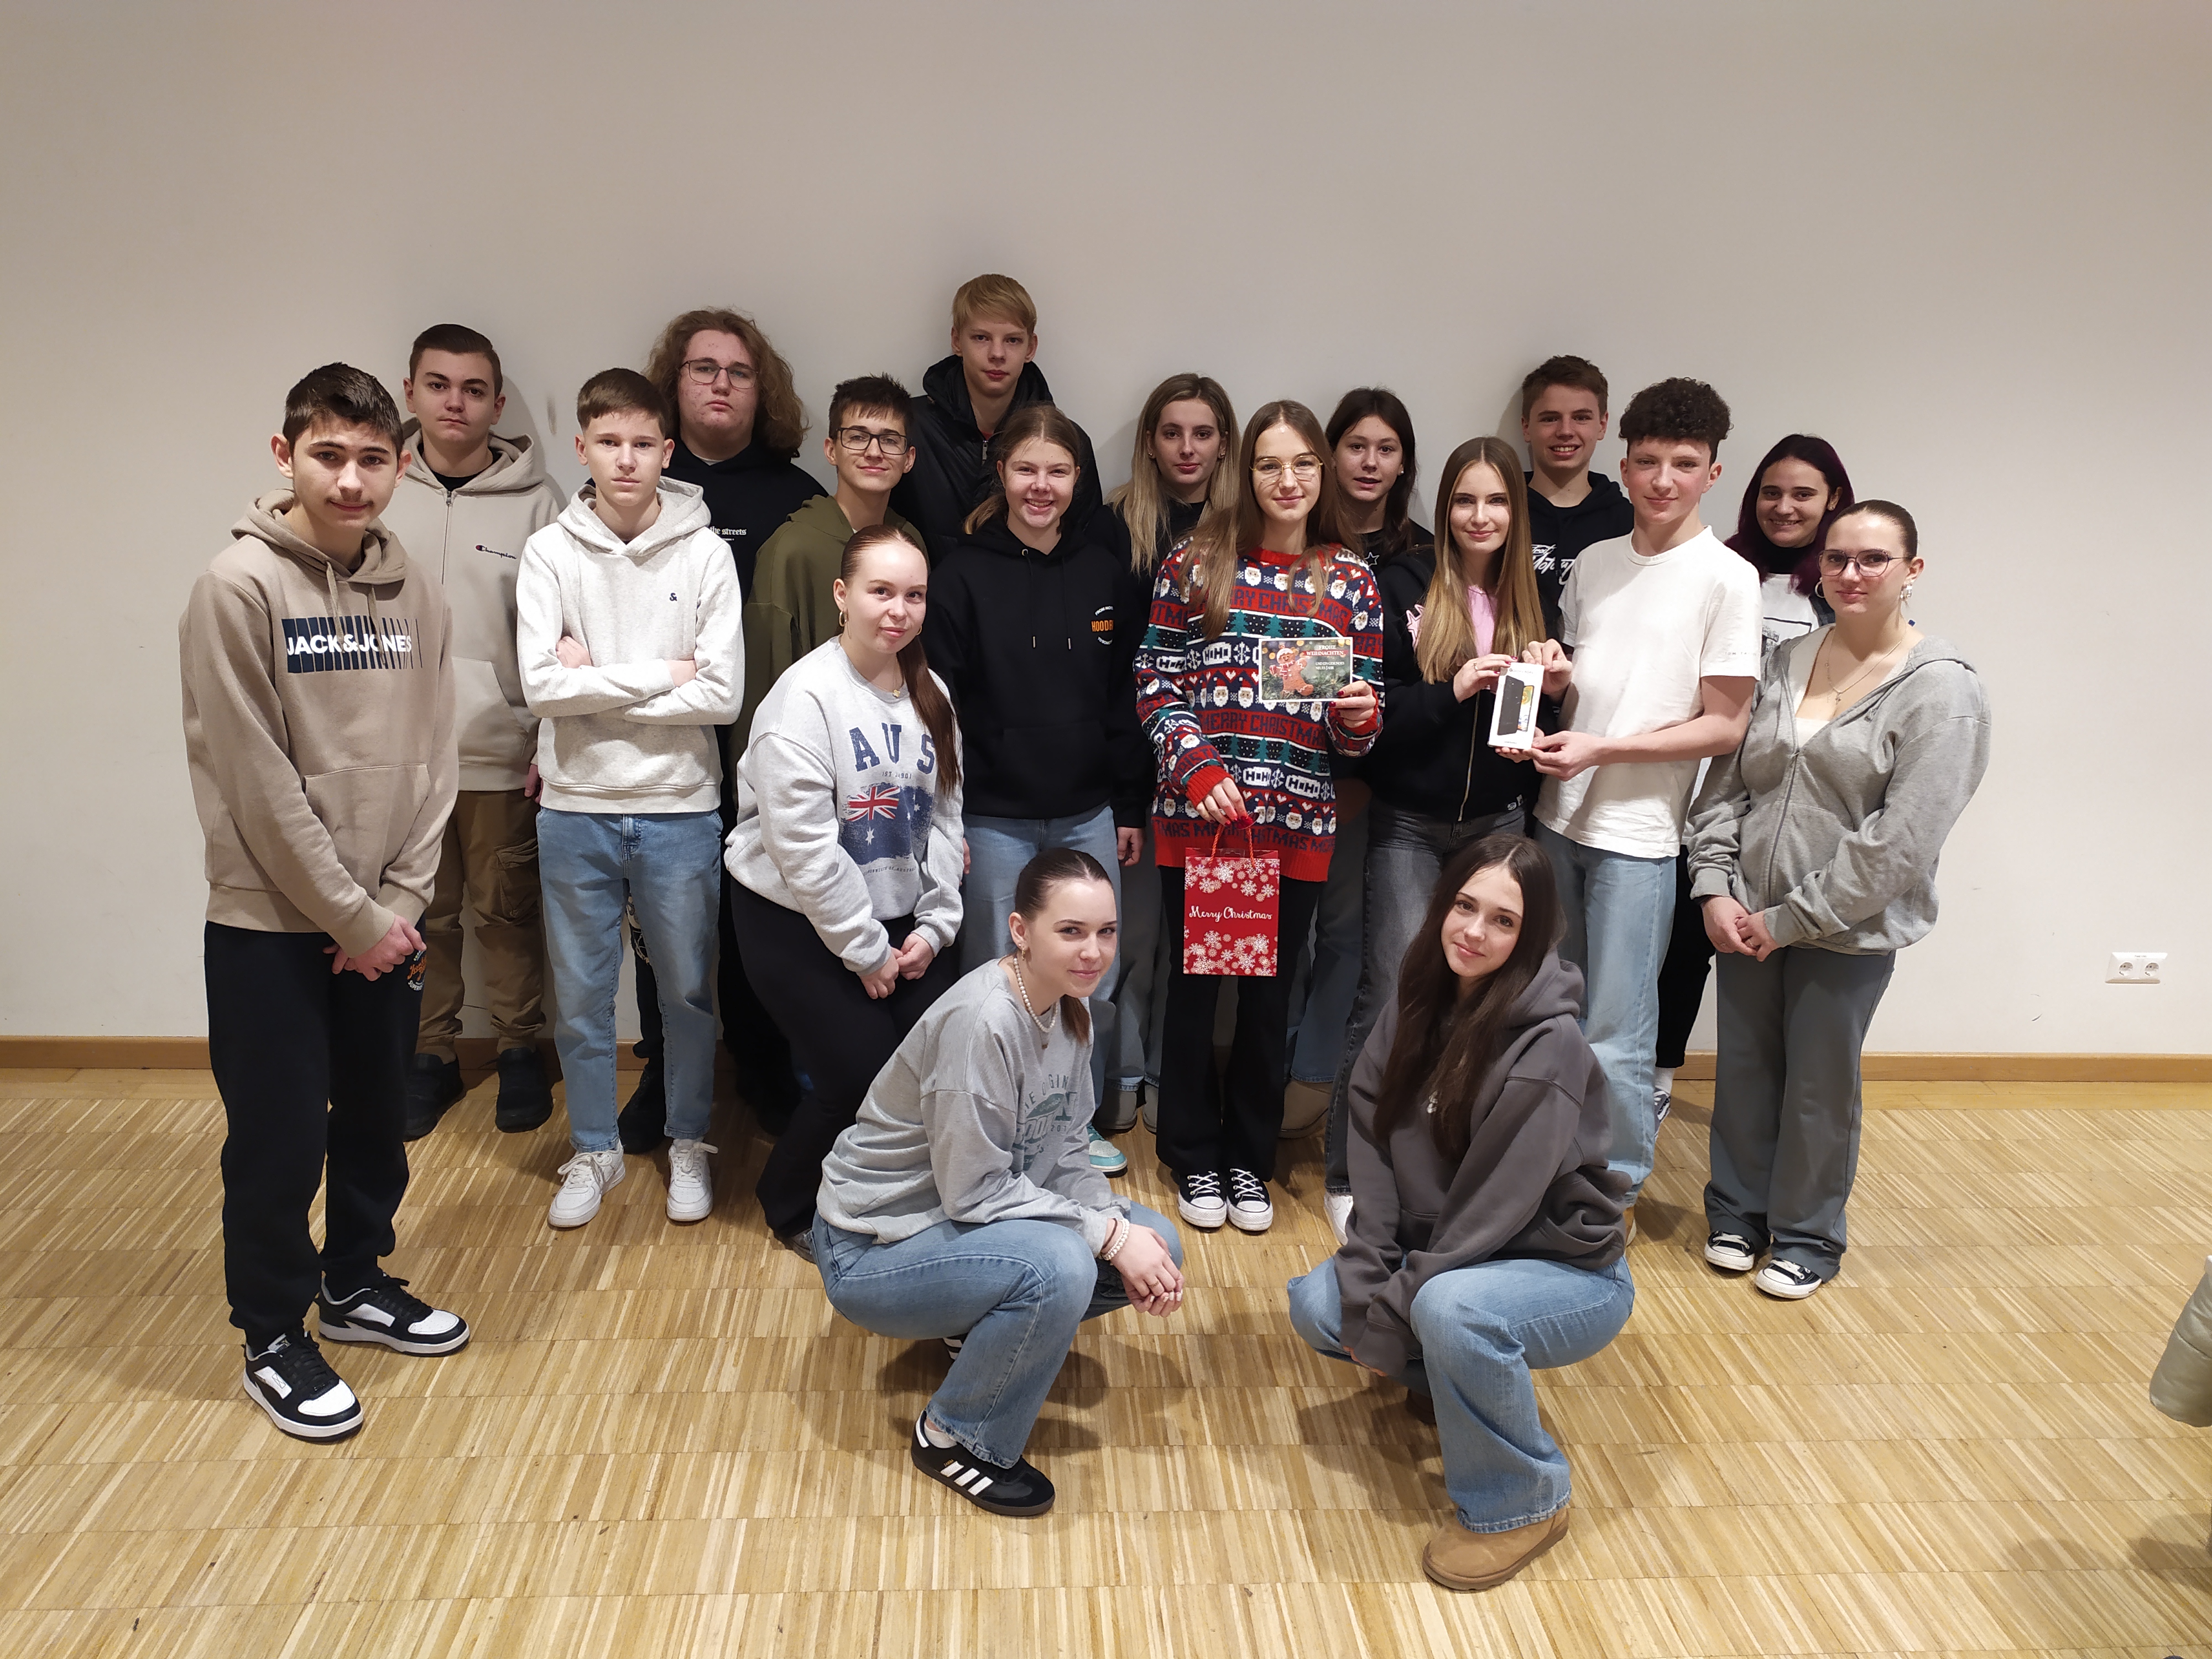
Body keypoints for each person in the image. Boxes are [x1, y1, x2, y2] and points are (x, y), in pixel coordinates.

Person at [181, 363, 469, 1442]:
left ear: (400, 464)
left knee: (376, 1121)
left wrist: (400, 901)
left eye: (372, 459)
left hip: (384, 924)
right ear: (285, 455)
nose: (351, 480)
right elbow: (256, 781)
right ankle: (271, 1331)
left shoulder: (413, 589)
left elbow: (436, 752)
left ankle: (353, 1281)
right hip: (270, 924)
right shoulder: (238, 587)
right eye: (328, 456)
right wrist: (354, 918)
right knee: (280, 1137)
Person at [1287, 835, 1631, 1592]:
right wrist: (1371, 1274)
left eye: (1503, 921)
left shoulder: (1549, 1045)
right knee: (1322, 1305)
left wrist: (1399, 1309)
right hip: (1456, 1253)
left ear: (1531, 937)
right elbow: (1371, 1148)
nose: (1474, 932)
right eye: (1465, 907)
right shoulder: (1421, 999)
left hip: (1560, 1267)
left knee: (1449, 1311)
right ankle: (1458, 1386)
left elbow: (1491, 1211)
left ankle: (1523, 1502)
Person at [812, 849, 1185, 1517]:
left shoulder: (1071, 1006)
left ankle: (980, 1326)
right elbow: (974, 1193)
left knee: (1158, 1242)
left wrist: (1120, 1232)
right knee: (1065, 1264)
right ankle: (955, 1437)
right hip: (871, 1247)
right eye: (1070, 931)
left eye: (1105, 931)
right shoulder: (983, 1021)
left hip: (956, 1223)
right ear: (1021, 930)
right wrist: (1106, 1237)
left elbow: (1066, 1148)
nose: (1093, 952)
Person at [1687, 500, 1988, 1298]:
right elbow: (1725, 784)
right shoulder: (1785, 660)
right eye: (1836, 558)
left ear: (1911, 571)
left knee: (1819, 1088)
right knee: (1744, 1072)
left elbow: (1902, 840)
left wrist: (1791, 920)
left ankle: (1807, 1238)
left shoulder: (1942, 690)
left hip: (1843, 930)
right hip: (1744, 915)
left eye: (1873, 559)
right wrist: (1714, 886)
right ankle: (1737, 1214)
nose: (1850, 574)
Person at [1515, 377, 1760, 1226]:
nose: (1662, 480)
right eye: (1648, 461)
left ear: (1713, 473)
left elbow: (1724, 726)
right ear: (1623, 465)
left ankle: (1607, 1194)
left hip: (1641, 837)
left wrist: (1605, 749)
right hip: (1557, 820)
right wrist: (1557, 683)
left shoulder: (1728, 579)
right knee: (1553, 1013)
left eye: (1683, 464)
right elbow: (1595, 683)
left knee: (1617, 1033)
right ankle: (1549, 1168)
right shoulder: (1594, 562)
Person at [1136, 400, 1383, 1234]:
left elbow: (1356, 725)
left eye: (1303, 464)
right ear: (1246, 473)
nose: (1288, 481)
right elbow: (1155, 679)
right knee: (1196, 991)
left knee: (1271, 996)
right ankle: (1191, 1156)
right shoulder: (1196, 562)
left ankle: (1248, 1159)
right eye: (1270, 464)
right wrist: (1198, 768)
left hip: (1295, 828)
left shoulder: (1347, 579)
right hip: (1207, 823)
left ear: (1322, 473)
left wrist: (1359, 716)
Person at [517, 369, 742, 1231]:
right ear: (582, 448)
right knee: (580, 999)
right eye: (608, 443)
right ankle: (594, 1148)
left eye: (642, 444)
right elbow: (542, 687)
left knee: (686, 995)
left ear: (666, 451)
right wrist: (663, 674)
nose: (625, 459)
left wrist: (597, 678)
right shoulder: (551, 551)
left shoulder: (705, 552)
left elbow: (721, 695)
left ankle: (687, 1140)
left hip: (680, 806)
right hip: (574, 807)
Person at [1319, 436, 1547, 1243]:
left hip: (1499, 826)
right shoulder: (1402, 583)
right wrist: (1451, 690)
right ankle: (1347, 1172)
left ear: (1515, 513)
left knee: (1484, 1003)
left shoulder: (1536, 596)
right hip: (1410, 824)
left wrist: (1553, 693)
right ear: (1444, 508)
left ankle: (1445, 1170)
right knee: (1391, 992)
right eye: (1465, 500)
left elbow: (1544, 726)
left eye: (1497, 501)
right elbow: (1372, 720)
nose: (1480, 516)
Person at [727, 526, 966, 1256]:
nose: (898, 610)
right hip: (793, 914)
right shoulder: (803, 699)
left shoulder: (932, 694)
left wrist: (935, 927)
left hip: (900, 912)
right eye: (880, 591)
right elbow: (803, 851)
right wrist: (865, 951)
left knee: (935, 1057)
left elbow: (946, 819)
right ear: (842, 595)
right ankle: (789, 1204)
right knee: (856, 1072)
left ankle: (887, 1191)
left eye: (914, 595)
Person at [926, 405, 1150, 1172]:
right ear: (1002, 474)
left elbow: (1123, 699)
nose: (1040, 486)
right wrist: (948, 819)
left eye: (1057, 471)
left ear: (1078, 479)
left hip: (1087, 811)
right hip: (992, 818)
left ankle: (1068, 1127)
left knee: (1088, 975)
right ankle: (990, 1128)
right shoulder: (961, 574)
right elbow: (941, 711)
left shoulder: (1102, 571)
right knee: (996, 978)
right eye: (1026, 469)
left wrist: (1128, 804)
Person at [623, 309, 825, 1150]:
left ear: (760, 389)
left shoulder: (797, 497)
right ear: (673, 384)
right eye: (702, 368)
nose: (720, 384)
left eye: (738, 372)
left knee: (758, 917)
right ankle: (665, 1072)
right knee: (661, 926)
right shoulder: (635, 483)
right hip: (658, 746)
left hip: (760, 753)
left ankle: (763, 1065)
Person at [382, 324, 565, 1140]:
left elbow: (561, 634)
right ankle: (431, 1053)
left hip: (500, 752)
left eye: (474, 389)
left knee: (506, 911)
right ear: (411, 393)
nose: (455, 403)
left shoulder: (539, 503)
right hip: (398, 760)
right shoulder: (380, 489)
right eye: (438, 385)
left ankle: (523, 1048)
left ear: (496, 403)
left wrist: (545, 739)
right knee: (423, 915)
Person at [1652, 436, 1857, 1125]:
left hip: (1780, 810)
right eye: (1771, 492)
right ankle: (1655, 1078)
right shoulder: (1719, 568)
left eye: (1803, 494)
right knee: (1680, 950)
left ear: (1833, 500)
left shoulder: (1841, 593)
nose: (1784, 507)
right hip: (1694, 796)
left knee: (1766, 964)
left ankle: (1775, 1114)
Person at [1284, 390, 1431, 1140]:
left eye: (1386, 449)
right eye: (1356, 446)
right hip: (1292, 777)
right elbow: (1291, 673)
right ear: (1329, 454)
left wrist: (1358, 777)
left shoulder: (1423, 557)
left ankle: (1312, 1076)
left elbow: (1409, 682)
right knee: (1285, 933)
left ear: (1404, 463)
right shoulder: (1295, 539)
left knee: (1347, 936)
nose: (1370, 463)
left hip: (1382, 787)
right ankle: (1271, 1064)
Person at [1100, 374, 1240, 1136]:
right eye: (1172, 432)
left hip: (1218, 784)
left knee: (1202, 949)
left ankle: (1168, 1080)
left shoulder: (1246, 528)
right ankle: (1122, 1077)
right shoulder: (1116, 525)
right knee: (1133, 942)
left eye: (1203, 433)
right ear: (1149, 442)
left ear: (1224, 443)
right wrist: (1126, 791)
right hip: (1137, 769)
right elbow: (1120, 672)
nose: (1188, 448)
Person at [737, 374, 925, 743]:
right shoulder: (791, 549)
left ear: (909, 458)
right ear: (831, 450)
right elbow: (764, 684)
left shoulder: (911, 543)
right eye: (857, 437)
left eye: (890, 440)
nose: (874, 452)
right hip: (812, 753)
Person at [892, 273, 1102, 562]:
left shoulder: (1069, 443)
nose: (997, 354)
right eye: (981, 338)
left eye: (1013, 340)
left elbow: (1084, 550)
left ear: (1031, 348)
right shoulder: (907, 427)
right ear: (957, 341)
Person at [1518, 356, 1634, 638]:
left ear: (1603, 425)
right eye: (1550, 418)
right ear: (1526, 427)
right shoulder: (1498, 513)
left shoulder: (1629, 523)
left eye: (1581, 418)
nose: (1566, 431)